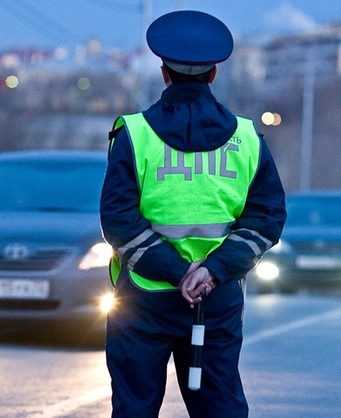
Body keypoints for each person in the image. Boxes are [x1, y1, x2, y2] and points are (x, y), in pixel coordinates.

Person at [99, 10, 287, 418]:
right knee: (219, 409)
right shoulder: (248, 138)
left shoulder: (134, 134)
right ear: (214, 75)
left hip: (142, 300)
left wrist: (173, 270)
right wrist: (211, 271)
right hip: (214, 299)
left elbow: (117, 220)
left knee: (134, 408)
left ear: (164, 73)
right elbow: (266, 219)